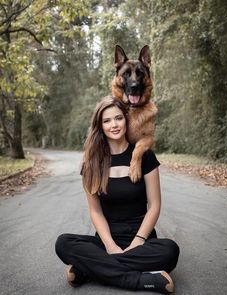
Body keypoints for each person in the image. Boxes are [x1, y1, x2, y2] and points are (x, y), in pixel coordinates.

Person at [55, 95, 179, 294]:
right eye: (107, 120)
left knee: (170, 250)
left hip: (142, 239)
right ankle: (143, 281)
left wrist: (138, 241)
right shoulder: (92, 163)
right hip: (105, 241)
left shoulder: (144, 155)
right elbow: (95, 212)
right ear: (100, 125)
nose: (114, 124)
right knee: (63, 243)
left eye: (118, 118)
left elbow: (154, 205)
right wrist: (110, 246)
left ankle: (89, 269)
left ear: (126, 120)